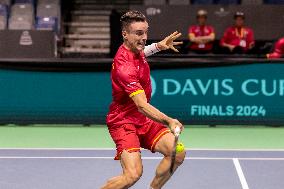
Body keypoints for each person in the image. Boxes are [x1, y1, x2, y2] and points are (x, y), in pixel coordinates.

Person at [101, 11, 186, 189]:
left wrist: (158, 46)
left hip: (142, 120)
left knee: (177, 153)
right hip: (123, 122)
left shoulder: (134, 49)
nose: (144, 38)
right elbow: (141, 105)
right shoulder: (124, 67)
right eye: (139, 33)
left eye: (145, 32)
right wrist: (169, 121)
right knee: (132, 175)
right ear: (125, 34)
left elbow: (142, 53)